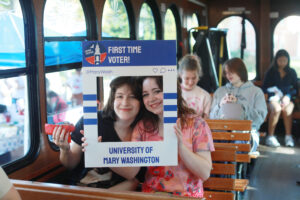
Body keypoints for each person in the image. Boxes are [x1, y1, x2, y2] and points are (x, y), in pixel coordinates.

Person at [52, 76, 145, 190]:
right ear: (112, 100)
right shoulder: (91, 121)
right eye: (119, 96)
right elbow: (70, 165)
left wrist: (100, 153)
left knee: (132, 182)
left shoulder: (145, 128)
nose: (125, 102)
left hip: (118, 190)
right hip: (82, 187)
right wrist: (65, 149)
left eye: (132, 97)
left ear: (141, 102)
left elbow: (132, 175)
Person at [131, 76, 214, 198]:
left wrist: (180, 146)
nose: (151, 99)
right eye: (145, 94)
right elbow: (131, 169)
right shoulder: (142, 127)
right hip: (152, 196)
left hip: (187, 196)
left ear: (172, 90)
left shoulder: (196, 124)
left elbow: (205, 173)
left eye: (157, 91)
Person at [210, 58, 267, 154]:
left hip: (247, 133)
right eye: (227, 72)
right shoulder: (220, 92)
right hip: (222, 133)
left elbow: (259, 118)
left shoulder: (256, 92)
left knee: (237, 143)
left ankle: (234, 166)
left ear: (240, 71)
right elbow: (211, 117)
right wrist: (220, 105)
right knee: (213, 144)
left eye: (231, 72)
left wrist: (240, 103)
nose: (228, 75)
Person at [262, 49, 298, 147]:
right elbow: (264, 88)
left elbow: (295, 88)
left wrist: (288, 96)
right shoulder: (270, 72)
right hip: (273, 99)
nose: (282, 63)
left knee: (288, 110)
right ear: (276, 60)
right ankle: (270, 136)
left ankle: (288, 137)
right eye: (280, 60)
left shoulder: (292, 72)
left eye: (284, 61)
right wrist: (273, 95)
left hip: (287, 99)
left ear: (288, 61)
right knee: (276, 109)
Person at [178, 54, 211, 119]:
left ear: (199, 75)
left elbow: (206, 120)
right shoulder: (174, 93)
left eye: (194, 78)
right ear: (180, 75)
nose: (190, 82)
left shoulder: (205, 96)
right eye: (187, 78)